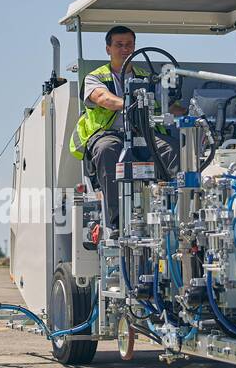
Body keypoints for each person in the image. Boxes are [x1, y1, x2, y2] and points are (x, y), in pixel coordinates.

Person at [67, 25, 184, 232]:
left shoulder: (146, 77)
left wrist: (192, 114)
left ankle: (179, 214)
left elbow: (166, 105)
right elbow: (102, 98)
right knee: (107, 150)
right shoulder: (96, 77)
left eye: (129, 44)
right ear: (108, 49)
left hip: (142, 134)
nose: (125, 49)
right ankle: (118, 223)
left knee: (171, 149)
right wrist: (130, 102)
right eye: (119, 45)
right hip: (108, 134)